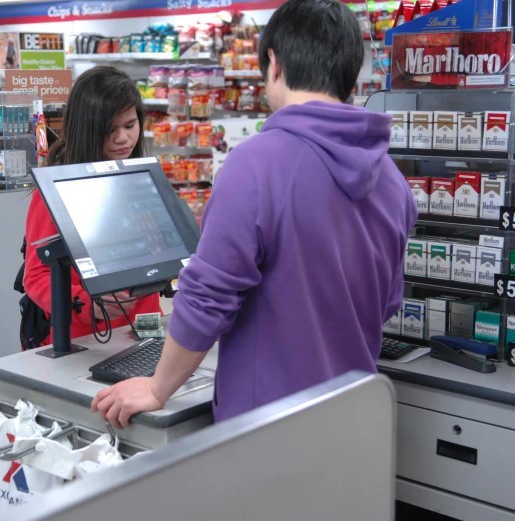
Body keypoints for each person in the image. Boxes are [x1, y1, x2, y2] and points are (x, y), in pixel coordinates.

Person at [92, 0, 417, 428]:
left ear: (274, 64)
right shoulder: (394, 182)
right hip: (353, 418)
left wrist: (157, 387)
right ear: (352, 74)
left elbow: (207, 296)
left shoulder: (255, 165)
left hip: (266, 430)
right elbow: (387, 301)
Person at [24, 66, 162, 346]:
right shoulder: (55, 189)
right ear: (86, 129)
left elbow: (153, 262)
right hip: (80, 343)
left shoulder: (141, 179)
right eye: (110, 130)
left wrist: (152, 334)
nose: (123, 138)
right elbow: (36, 276)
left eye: (130, 125)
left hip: (139, 334)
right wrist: (88, 305)